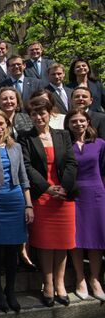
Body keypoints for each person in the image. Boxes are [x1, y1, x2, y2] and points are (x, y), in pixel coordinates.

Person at [18, 96, 77, 307]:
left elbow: (71, 163)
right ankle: (48, 284)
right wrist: (47, 188)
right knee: (45, 244)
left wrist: (64, 188)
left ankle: (60, 284)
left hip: (63, 198)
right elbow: (26, 166)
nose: (38, 117)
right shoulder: (25, 137)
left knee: (62, 244)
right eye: (34, 114)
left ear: (49, 113)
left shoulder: (63, 135)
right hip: (42, 196)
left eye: (42, 113)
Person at [0, 110, 33, 314]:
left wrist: (28, 205)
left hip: (14, 200)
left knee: (13, 251)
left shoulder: (16, 147)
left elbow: (23, 177)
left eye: (1, 123)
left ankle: (10, 291)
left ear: (7, 125)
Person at [64, 109, 105, 302]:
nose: (78, 124)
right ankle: (80, 278)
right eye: (74, 121)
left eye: (82, 121)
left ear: (88, 122)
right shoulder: (65, 145)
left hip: (96, 194)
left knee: (96, 238)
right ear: (68, 124)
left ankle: (95, 278)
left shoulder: (100, 144)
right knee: (76, 238)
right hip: (74, 195)